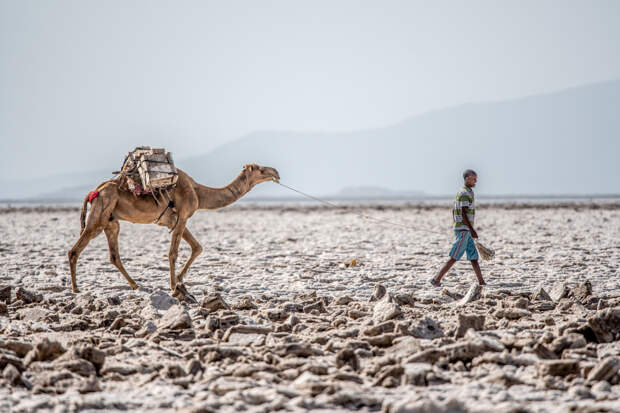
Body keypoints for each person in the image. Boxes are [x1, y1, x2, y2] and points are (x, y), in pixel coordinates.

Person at [430, 169, 486, 287]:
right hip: (464, 230)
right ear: (467, 179)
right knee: (455, 256)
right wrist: (471, 229)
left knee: (473, 256)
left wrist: (457, 224)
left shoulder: (467, 192)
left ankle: (481, 281)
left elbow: (453, 210)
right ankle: (436, 279)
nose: (476, 181)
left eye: (476, 178)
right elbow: (463, 212)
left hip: (464, 229)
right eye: (474, 178)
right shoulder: (464, 193)